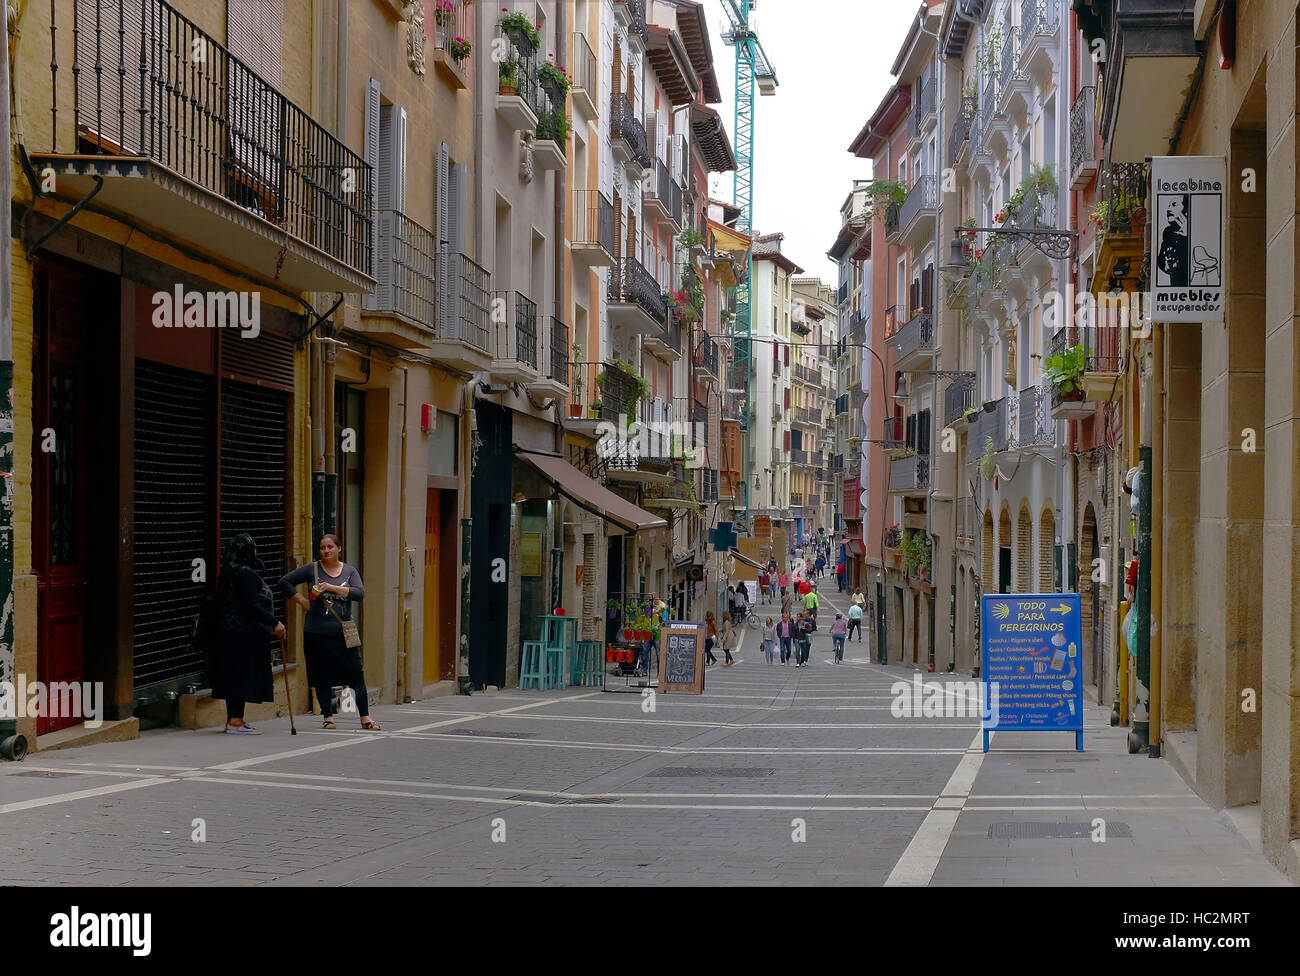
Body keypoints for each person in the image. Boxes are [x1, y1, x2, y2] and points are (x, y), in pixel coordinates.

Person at [279, 534, 378, 731]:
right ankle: (328, 717)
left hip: (343, 632)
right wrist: (303, 602)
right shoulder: (312, 569)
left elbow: (359, 593)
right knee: (321, 674)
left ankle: (365, 717)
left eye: (331, 546)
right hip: (316, 631)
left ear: (339, 548)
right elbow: (284, 582)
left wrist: (331, 587)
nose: (326, 550)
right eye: (323, 547)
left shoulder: (349, 571)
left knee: (355, 672)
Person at [210, 533, 285, 734]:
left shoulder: (228, 572)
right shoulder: (243, 574)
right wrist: (274, 622)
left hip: (228, 633)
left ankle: (235, 720)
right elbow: (250, 605)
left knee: (234, 676)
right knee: (241, 676)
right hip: (243, 634)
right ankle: (235, 721)